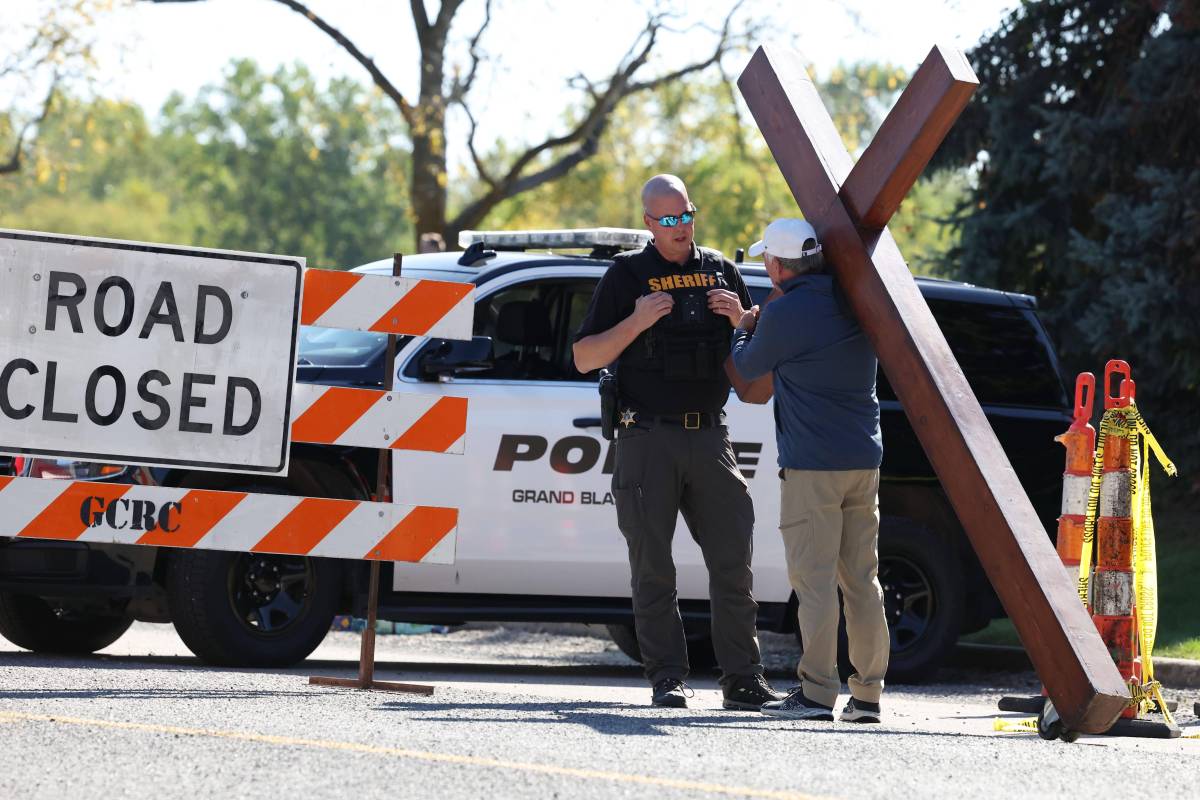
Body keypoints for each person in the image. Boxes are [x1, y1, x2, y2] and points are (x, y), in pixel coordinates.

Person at [573, 174, 783, 710]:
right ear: (648, 223)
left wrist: (742, 320)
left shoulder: (721, 270)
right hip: (647, 438)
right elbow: (584, 356)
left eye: (687, 215)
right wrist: (636, 322)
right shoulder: (627, 276)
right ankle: (668, 677)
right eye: (668, 219)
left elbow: (757, 359)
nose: (681, 227)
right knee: (653, 566)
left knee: (734, 561)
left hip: (711, 434)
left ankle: (743, 678)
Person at [729, 218, 889, 724]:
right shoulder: (854, 297)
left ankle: (817, 694)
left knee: (815, 583)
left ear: (777, 266)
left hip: (811, 468)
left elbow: (748, 370)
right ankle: (867, 697)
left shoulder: (784, 312)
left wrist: (741, 328)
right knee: (862, 581)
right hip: (864, 462)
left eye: (765, 261)